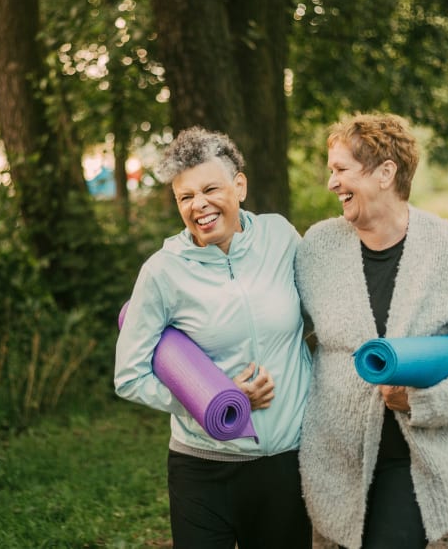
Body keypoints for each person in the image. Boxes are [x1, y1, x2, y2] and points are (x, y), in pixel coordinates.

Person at [295, 113, 448, 549]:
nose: (332, 183)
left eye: (341, 170)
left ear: (385, 173)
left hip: (415, 460)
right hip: (335, 459)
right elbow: (280, 329)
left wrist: (425, 401)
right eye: (331, 171)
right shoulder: (317, 248)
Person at [115, 126, 313, 549]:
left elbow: (320, 318)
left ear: (239, 185)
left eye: (210, 189)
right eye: (185, 197)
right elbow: (129, 376)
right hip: (202, 471)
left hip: (285, 464)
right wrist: (212, 401)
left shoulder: (281, 237)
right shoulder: (162, 272)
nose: (198, 205)